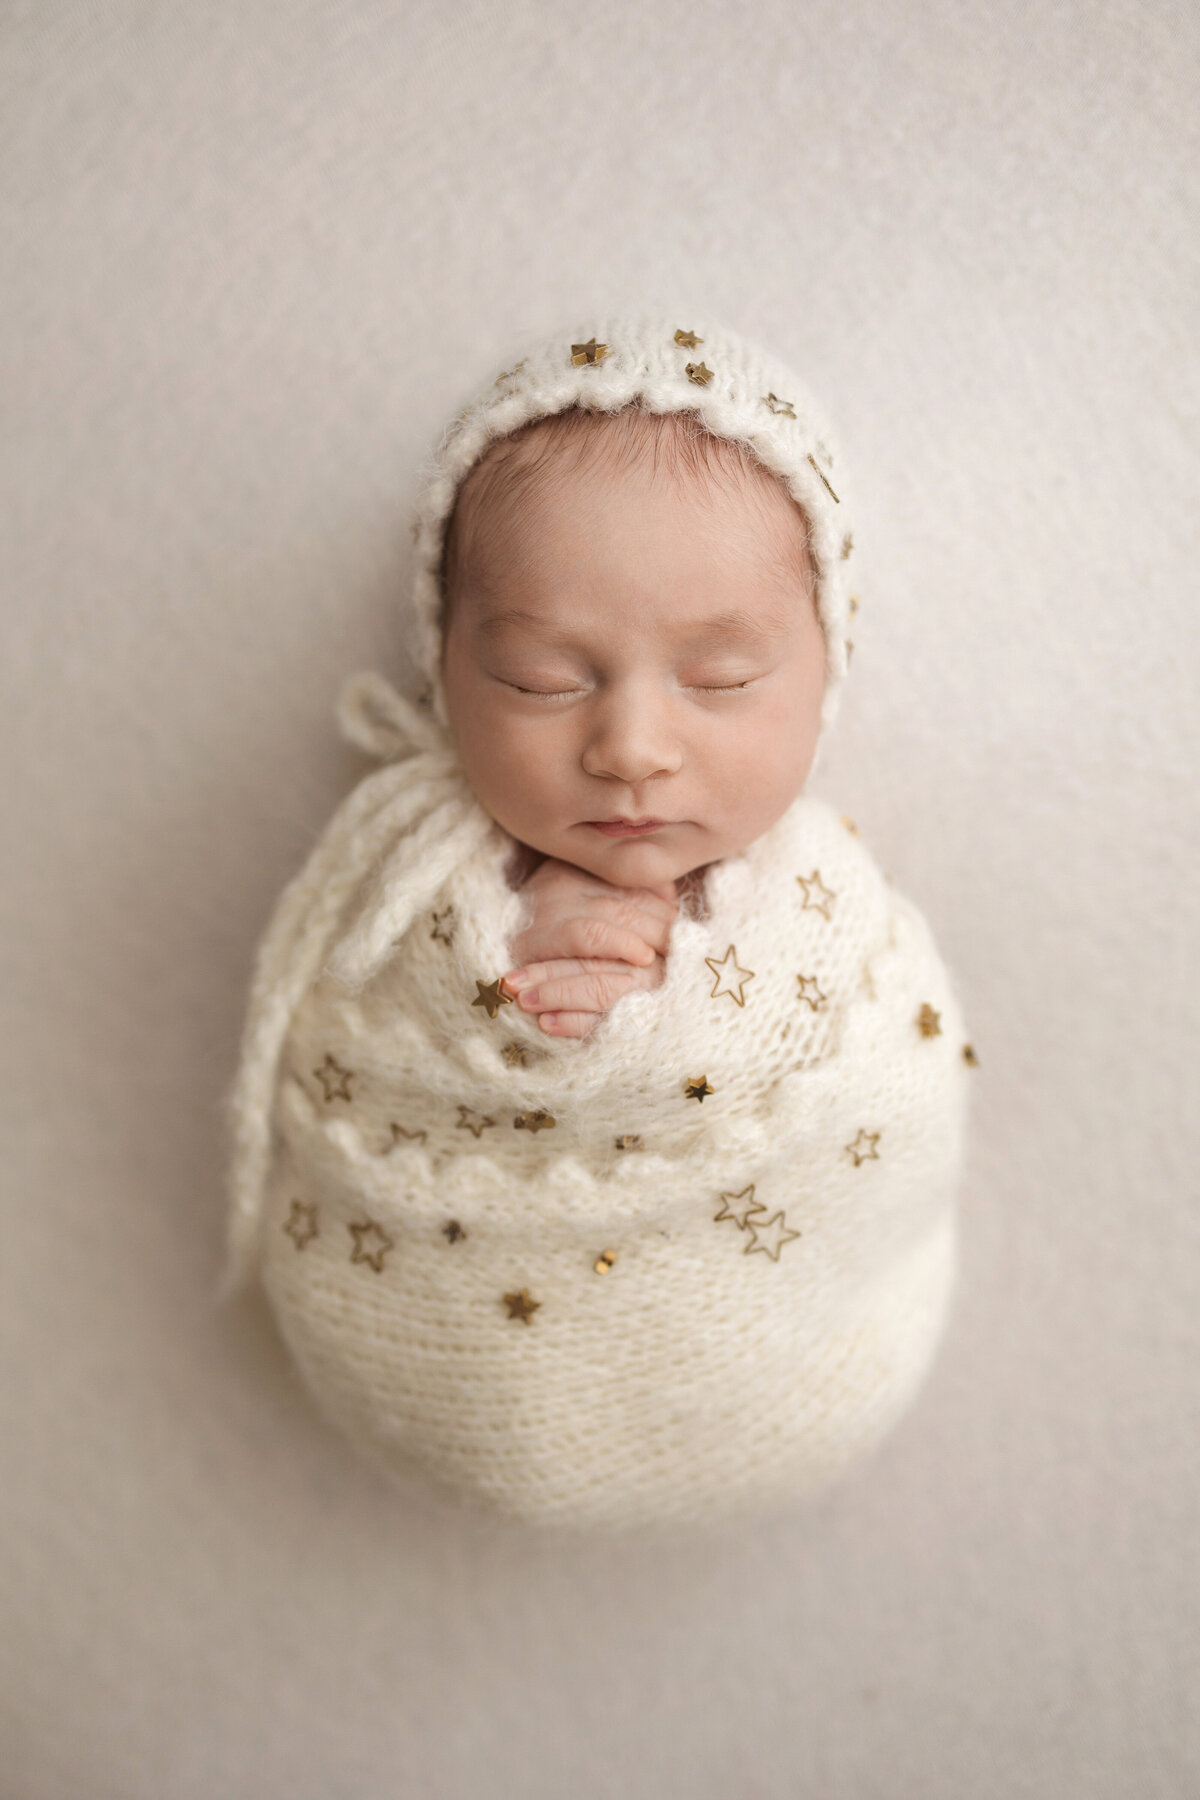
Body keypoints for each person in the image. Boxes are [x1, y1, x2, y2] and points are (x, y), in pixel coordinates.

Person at [222, 317, 974, 1534]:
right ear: (444, 667)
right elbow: (362, 1028)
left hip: (785, 1362)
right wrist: (505, 969)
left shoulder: (828, 911)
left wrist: (674, 1016)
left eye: (722, 679)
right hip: (442, 1363)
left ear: (822, 669)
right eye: (539, 678)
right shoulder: (402, 884)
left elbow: (892, 1099)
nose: (630, 748)